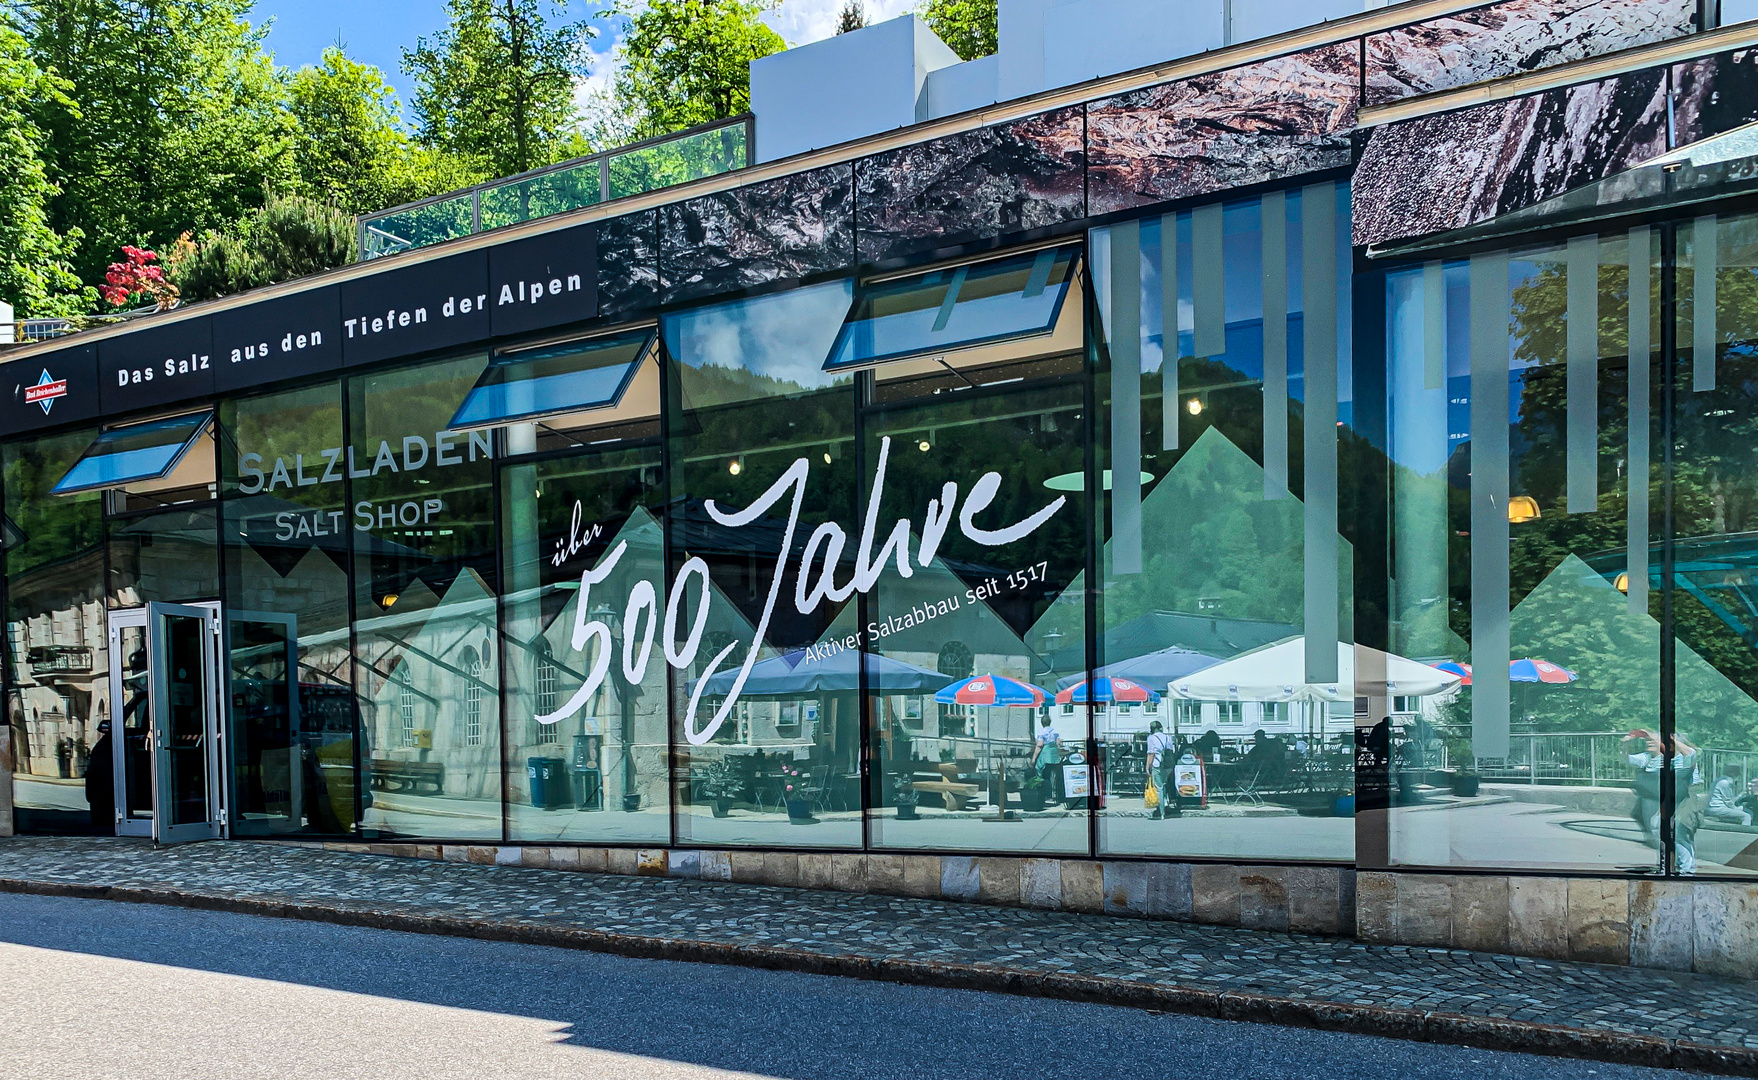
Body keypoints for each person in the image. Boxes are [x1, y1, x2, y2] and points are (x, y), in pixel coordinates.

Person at [1145, 720, 1175, 821]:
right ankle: (1165, 803)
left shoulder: (1151, 738)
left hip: (1157, 764)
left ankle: (1162, 812)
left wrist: (1147, 766)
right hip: (1168, 765)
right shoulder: (1168, 737)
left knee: (1159, 788)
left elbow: (1151, 754)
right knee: (1164, 783)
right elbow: (1170, 751)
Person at [1034, 715, 1062, 801]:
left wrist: (1034, 758)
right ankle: (1058, 794)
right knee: (1054, 775)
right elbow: (1059, 743)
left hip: (1046, 756)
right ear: (1050, 722)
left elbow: (1040, 745)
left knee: (1044, 775)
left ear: (1042, 723)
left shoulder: (1042, 732)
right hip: (1055, 756)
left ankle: (1047, 794)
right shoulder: (1055, 732)